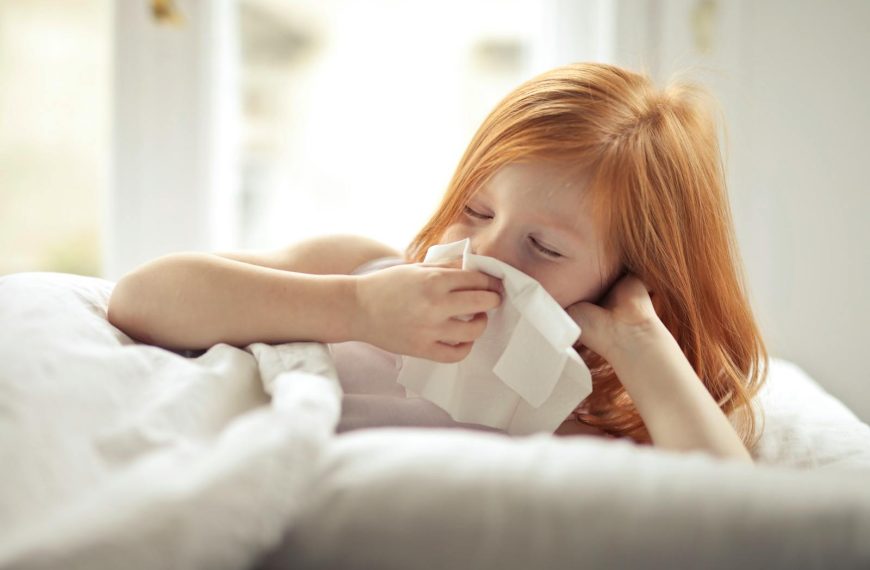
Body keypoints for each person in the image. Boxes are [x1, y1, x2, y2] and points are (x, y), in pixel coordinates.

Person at [108, 62, 767, 463]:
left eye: (543, 248)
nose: (483, 251)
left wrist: (638, 340)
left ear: (628, 277)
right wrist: (354, 309)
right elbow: (140, 298)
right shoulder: (362, 271)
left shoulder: (587, 414)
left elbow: (737, 521)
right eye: (476, 210)